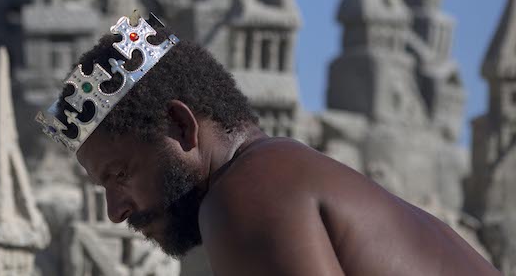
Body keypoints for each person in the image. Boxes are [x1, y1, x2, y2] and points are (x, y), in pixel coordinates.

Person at [37, 16, 500, 275]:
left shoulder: (246, 198)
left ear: (180, 126)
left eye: (119, 175)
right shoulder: (282, 171)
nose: (116, 210)